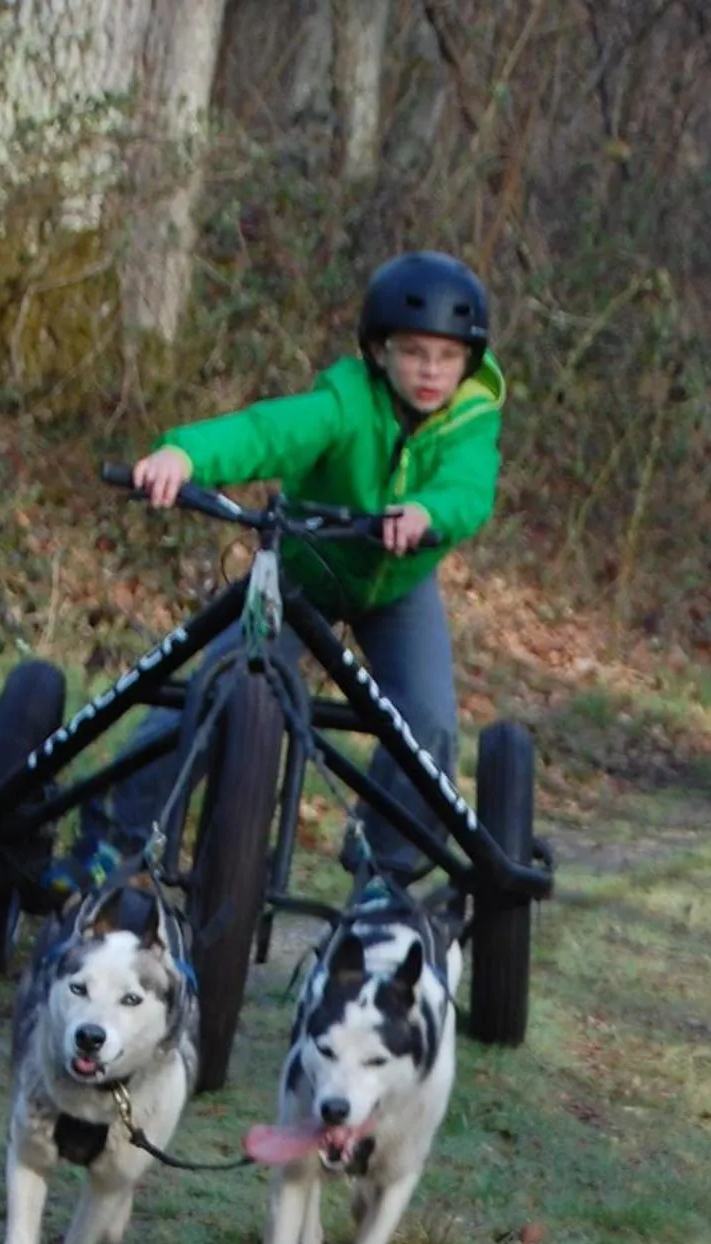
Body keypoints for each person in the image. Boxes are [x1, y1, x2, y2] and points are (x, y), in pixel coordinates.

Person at [45, 250, 505, 896]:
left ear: (469, 361)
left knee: (426, 721)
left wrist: (429, 511)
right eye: (412, 352)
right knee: (216, 689)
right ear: (379, 352)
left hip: (397, 587)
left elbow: (469, 488)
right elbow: (266, 432)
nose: (430, 371)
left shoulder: (470, 421)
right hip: (300, 574)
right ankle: (115, 841)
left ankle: (387, 871)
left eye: (447, 356)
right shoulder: (345, 402)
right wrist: (185, 454)